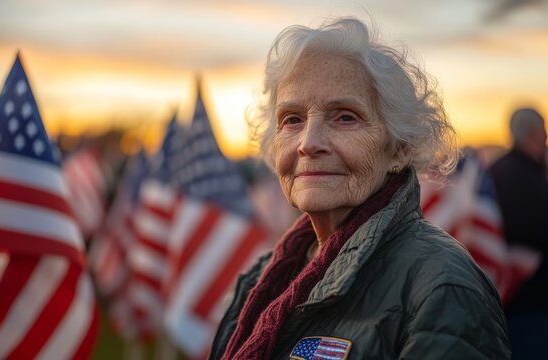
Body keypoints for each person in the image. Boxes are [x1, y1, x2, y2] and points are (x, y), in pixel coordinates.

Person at [209, 17, 510, 360]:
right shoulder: (264, 278)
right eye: (292, 119)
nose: (309, 143)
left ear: (398, 149)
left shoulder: (442, 286)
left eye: (345, 117)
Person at [489, 108, 548, 359]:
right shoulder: (524, 178)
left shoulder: (497, 170)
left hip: (507, 298)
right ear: (534, 133)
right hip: (530, 299)